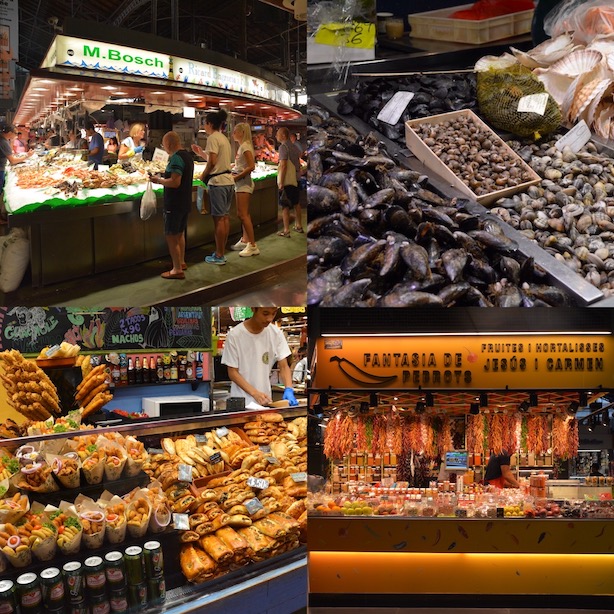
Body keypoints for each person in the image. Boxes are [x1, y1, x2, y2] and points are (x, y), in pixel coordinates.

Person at [221, 307, 299, 407]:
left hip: (266, 401)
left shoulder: (276, 334)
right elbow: (232, 372)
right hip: (241, 402)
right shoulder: (235, 335)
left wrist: (289, 388)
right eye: (265, 313)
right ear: (253, 309)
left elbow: (284, 366)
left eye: (273, 313)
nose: (269, 319)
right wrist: (255, 393)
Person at [191, 109, 234, 266]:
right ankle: (222, 251)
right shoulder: (223, 138)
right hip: (228, 181)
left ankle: (219, 254)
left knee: (218, 220)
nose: (204, 126)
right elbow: (215, 159)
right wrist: (201, 153)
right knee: (225, 217)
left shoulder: (212, 138)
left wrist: (202, 176)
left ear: (209, 124)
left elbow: (213, 162)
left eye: (204, 123)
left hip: (218, 183)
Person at [150, 131, 194, 280]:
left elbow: (175, 182)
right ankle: (181, 262)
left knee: (170, 235)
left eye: (164, 145)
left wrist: (158, 180)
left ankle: (176, 269)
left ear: (168, 144)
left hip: (174, 203)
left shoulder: (175, 158)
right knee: (180, 233)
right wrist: (164, 174)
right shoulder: (187, 156)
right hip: (185, 201)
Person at [230, 122, 259, 257]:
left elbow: (251, 166)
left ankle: (252, 245)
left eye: (235, 131)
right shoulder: (243, 146)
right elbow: (244, 164)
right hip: (241, 184)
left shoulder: (245, 146)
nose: (233, 133)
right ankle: (245, 239)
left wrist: (236, 177)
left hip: (244, 184)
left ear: (242, 132)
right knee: (243, 214)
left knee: (243, 214)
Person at [276, 126, 303, 236]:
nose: (276, 136)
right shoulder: (293, 146)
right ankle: (299, 226)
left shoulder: (283, 147)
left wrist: (281, 182)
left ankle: (286, 230)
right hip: (296, 178)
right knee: (296, 203)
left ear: (283, 135)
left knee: (285, 205)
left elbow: (283, 165)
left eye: (277, 134)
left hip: (288, 180)